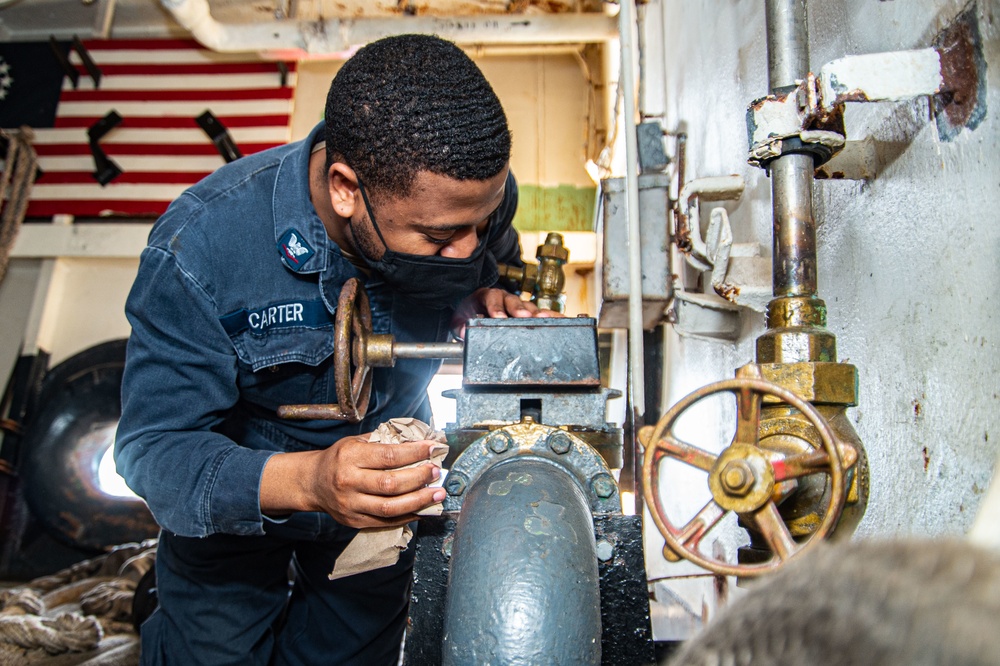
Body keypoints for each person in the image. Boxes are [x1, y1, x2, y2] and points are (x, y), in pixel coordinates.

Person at [115, 34, 551, 665]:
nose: (467, 246)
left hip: (385, 496)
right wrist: (312, 481)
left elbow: (487, 260)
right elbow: (152, 451)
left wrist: (482, 294)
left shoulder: (464, 200)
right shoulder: (199, 251)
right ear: (346, 188)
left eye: (479, 226)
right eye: (438, 237)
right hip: (241, 497)